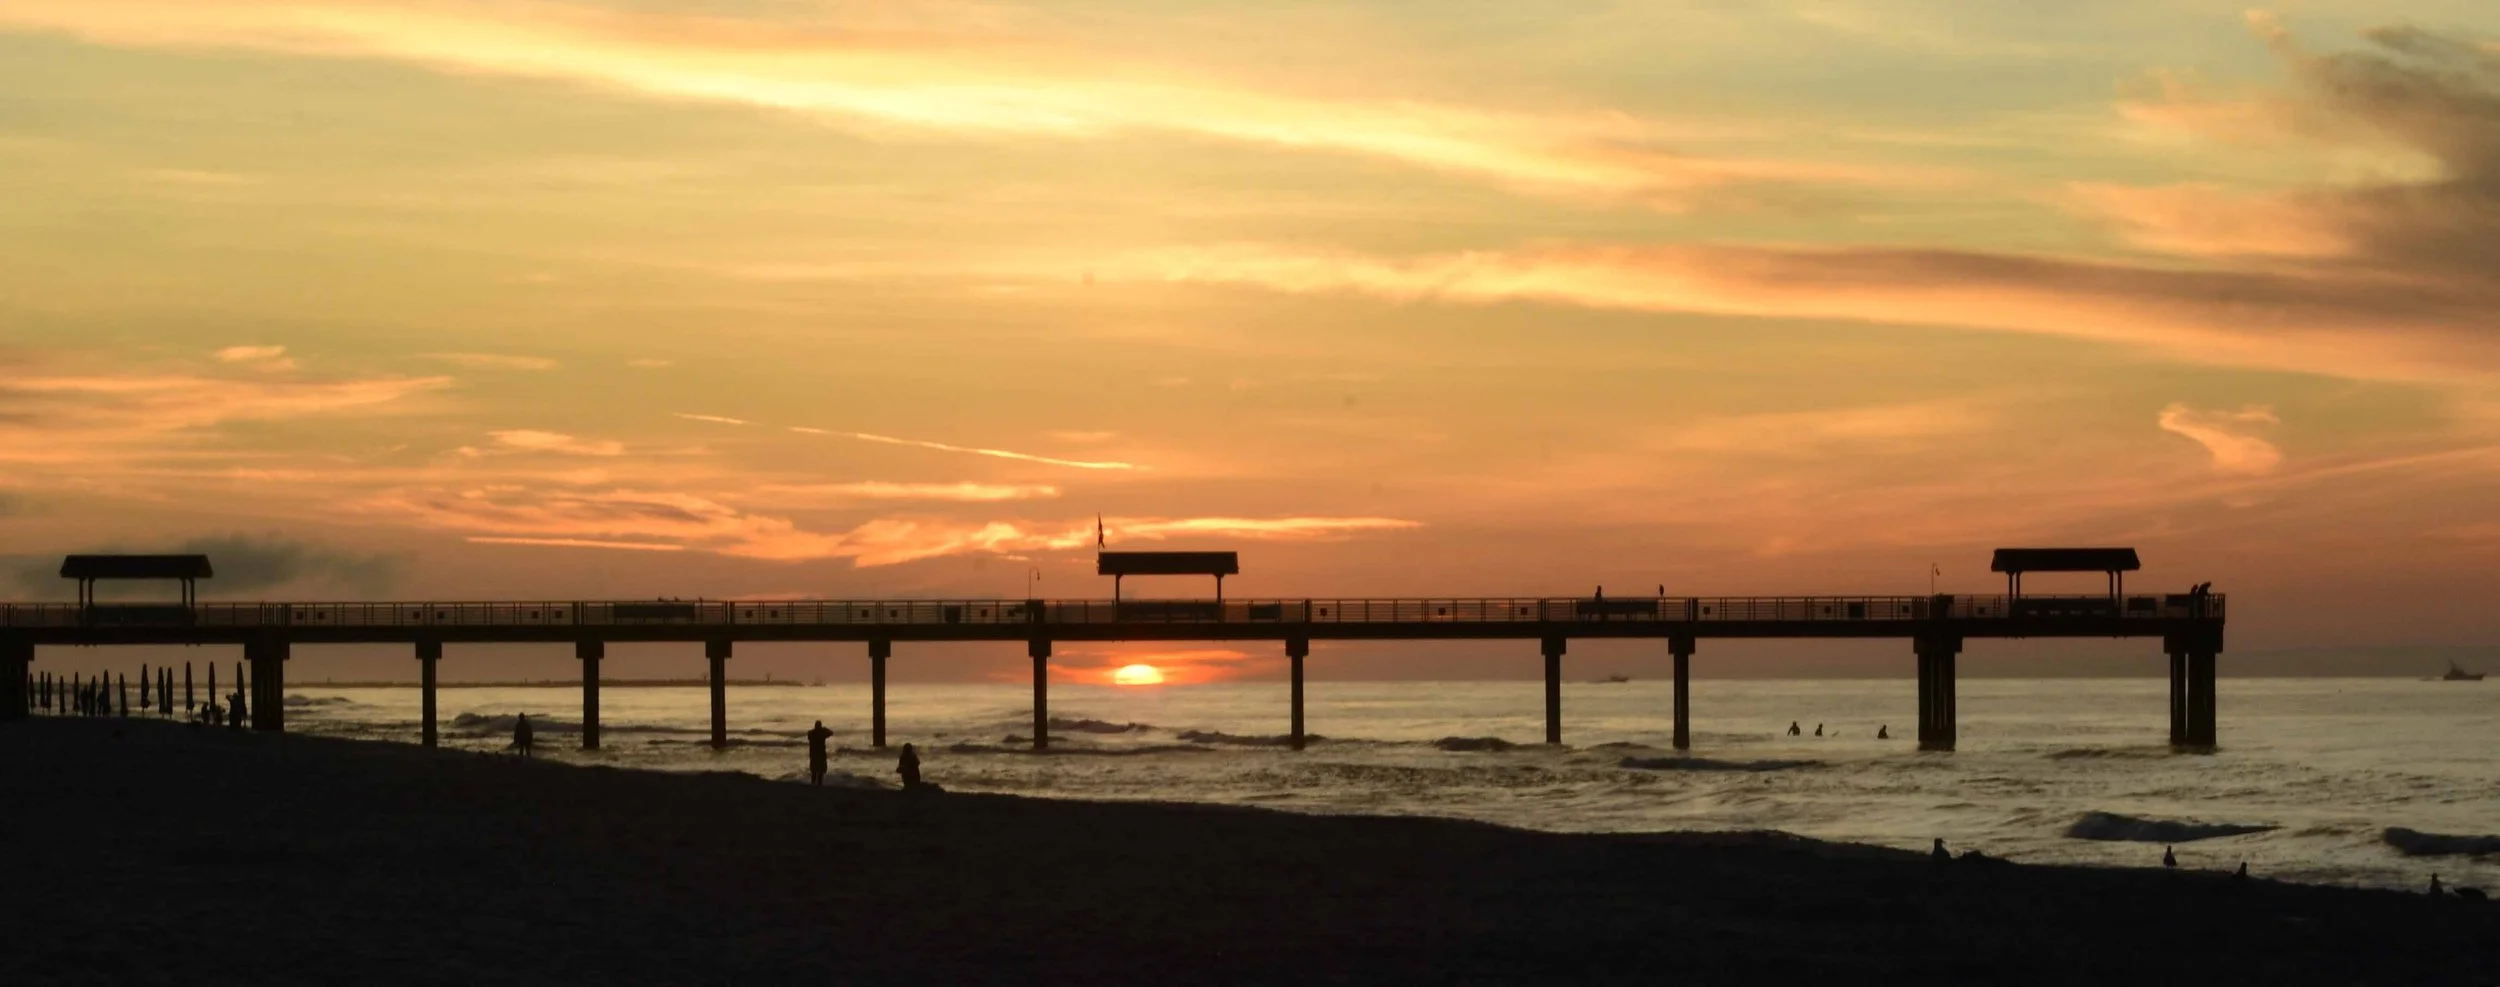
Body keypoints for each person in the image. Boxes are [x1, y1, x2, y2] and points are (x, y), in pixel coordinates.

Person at [806, 720, 833, 786]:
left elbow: (809, 735)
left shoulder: (811, 733)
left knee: (814, 772)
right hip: (820, 755)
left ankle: (813, 785)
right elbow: (831, 733)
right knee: (820, 772)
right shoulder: (821, 734)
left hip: (814, 755)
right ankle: (819, 785)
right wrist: (825, 728)